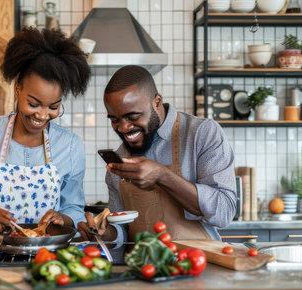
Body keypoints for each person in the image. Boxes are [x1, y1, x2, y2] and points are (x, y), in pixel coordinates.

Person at [0, 27, 91, 234]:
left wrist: (62, 218)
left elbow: (74, 209)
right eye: (34, 103)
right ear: (18, 88)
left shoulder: (70, 145)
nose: (42, 115)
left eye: (53, 107)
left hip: (49, 257)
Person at [78, 65, 236, 243]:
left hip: (200, 265)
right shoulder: (120, 159)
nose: (123, 128)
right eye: (114, 120)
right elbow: (123, 231)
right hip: (141, 267)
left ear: (157, 102)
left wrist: (163, 176)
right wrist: (107, 234)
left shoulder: (201, 133)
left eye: (133, 117)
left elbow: (225, 212)